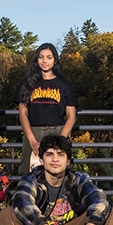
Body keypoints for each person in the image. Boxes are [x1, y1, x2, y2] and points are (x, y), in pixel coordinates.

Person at [16, 43, 77, 175]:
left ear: (55, 60)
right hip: (33, 132)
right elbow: (22, 114)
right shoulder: (26, 84)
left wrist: (60, 140)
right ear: (36, 60)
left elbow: (71, 116)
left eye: (49, 57)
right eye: (41, 57)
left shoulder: (64, 85)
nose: (44, 61)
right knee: (30, 174)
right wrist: (32, 140)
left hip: (58, 131)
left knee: (59, 173)